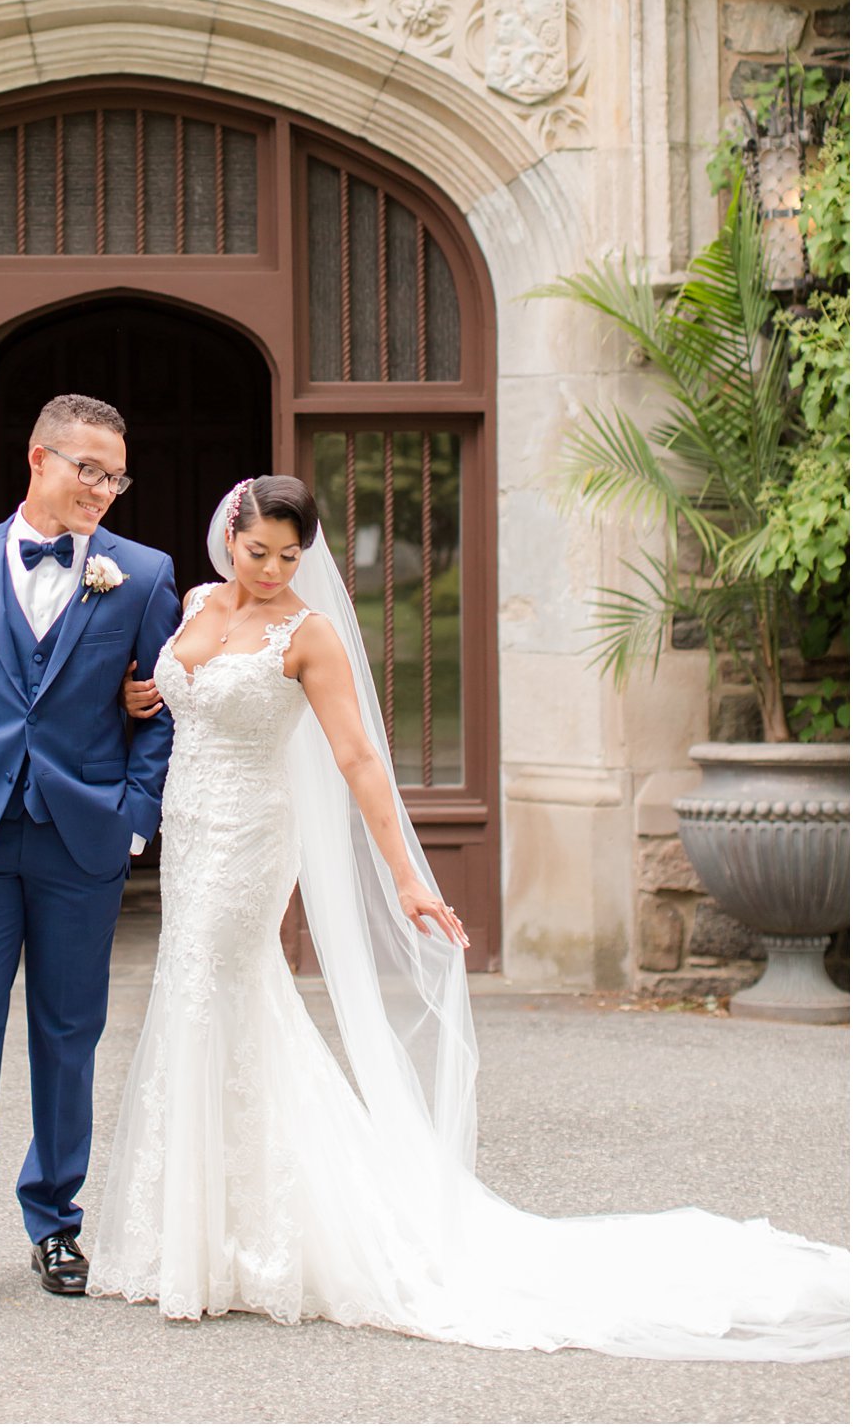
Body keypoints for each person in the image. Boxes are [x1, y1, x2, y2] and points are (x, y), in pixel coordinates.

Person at [93, 474, 850, 1359]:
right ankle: (204, 1228)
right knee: (203, 1001)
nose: (270, 569)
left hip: (252, 841)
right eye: (256, 551)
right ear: (229, 534)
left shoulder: (312, 634)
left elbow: (359, 761)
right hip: (191, 828)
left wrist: (411, 877)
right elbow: (183, 688)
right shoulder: (192, 603)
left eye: (290, 556)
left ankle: (242, 1241)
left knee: (216, 996)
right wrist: (145, 695)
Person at [0, 393, 179, 1320]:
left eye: (116, 474)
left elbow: (163, 703)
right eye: (88, 468)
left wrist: (135, 815)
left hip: (81, 837)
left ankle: (56, 1222)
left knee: (67, 1034)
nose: (103, 488)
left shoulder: (142, 575)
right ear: (38, 459)